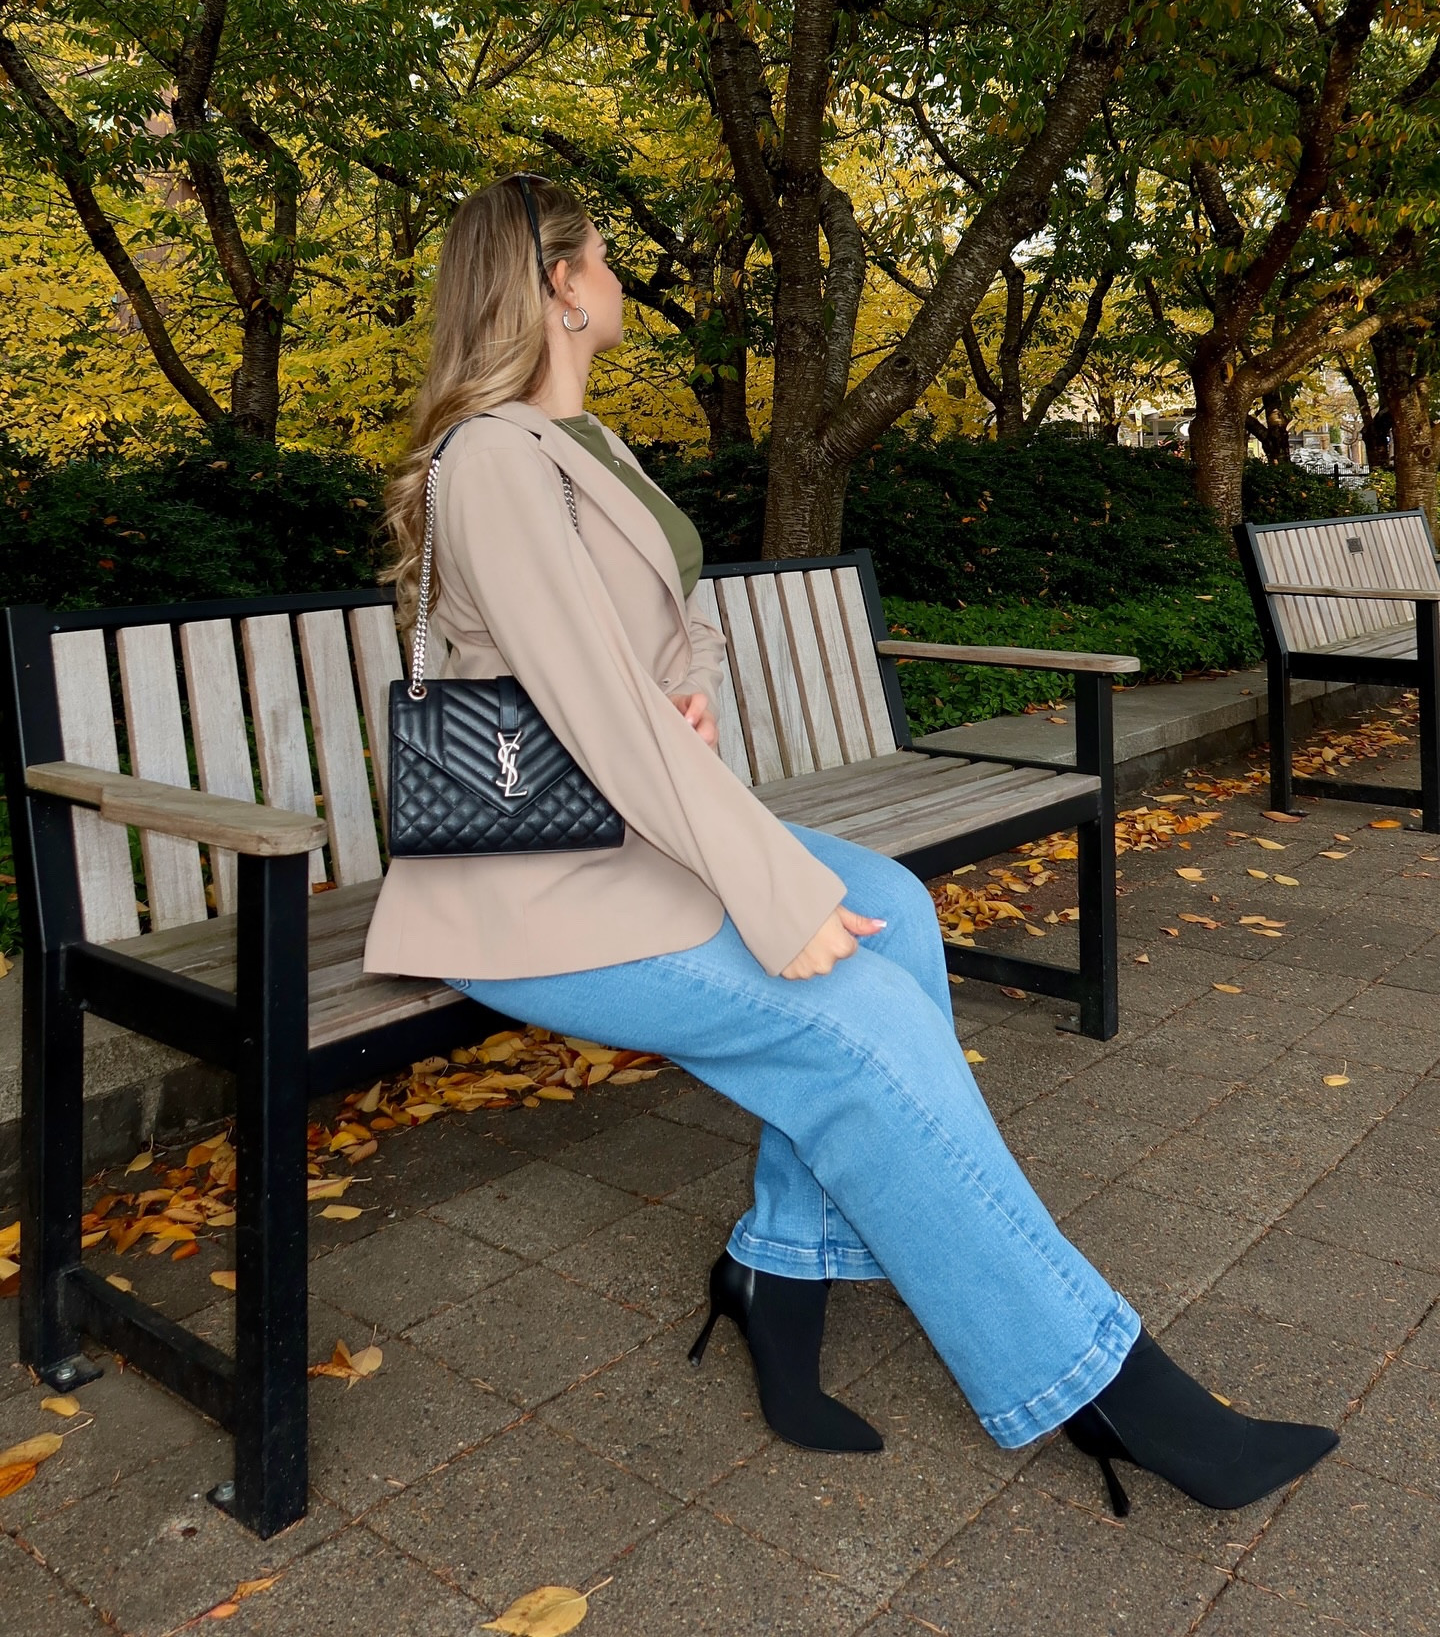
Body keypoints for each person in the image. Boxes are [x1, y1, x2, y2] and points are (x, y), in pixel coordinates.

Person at [365, 174, 1337, 1517]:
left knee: (890, 905)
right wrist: (765, 888)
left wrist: (689, 678)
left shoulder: (587, 446)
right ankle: (1107, 1386)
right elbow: (585, 704)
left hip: (621, 836)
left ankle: (778, 1267)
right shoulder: (489, 460)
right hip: (530, 890)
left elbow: (656, 630)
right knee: (855, 1022)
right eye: (602, 258)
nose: (618, 281)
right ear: (553, 283)